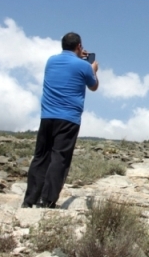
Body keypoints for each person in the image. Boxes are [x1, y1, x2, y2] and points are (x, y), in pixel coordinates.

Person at [22, 32, 99, 209]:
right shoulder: (84, 66)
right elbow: (93, 86)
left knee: (41, 157)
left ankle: (29, 200)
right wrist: (93, 69)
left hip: (47, 115)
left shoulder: (51, 61)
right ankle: (47, 201)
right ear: (79, 46)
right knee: (59, 158)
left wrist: (80, 58)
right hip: (69, 118)